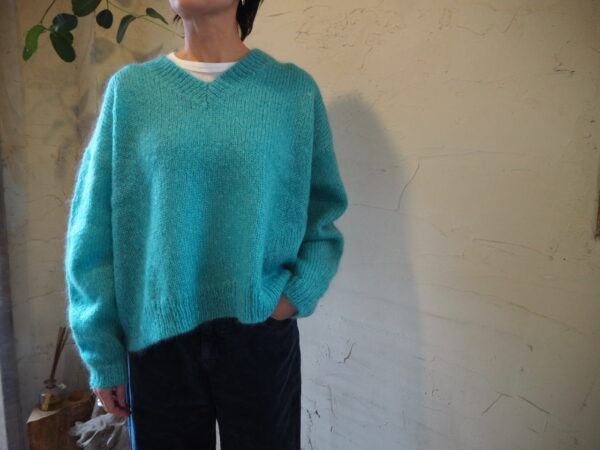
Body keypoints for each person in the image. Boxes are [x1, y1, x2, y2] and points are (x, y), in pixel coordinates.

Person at [63, 0, 348, 448]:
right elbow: (92, 230)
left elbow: (323, 213)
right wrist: (102, 352)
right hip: (155, 337)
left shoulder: (292, 92)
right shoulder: (132, 92)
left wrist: (294, 296)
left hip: (258, 331)